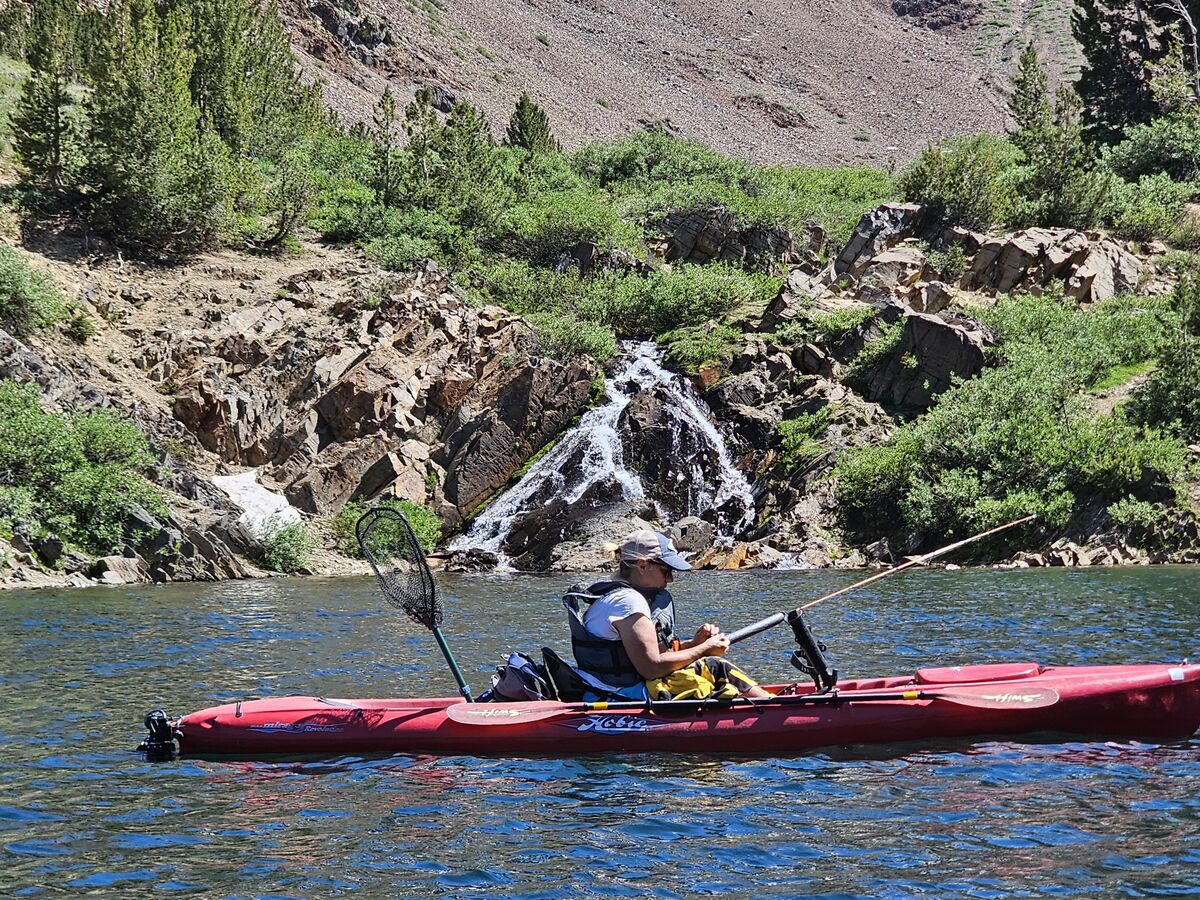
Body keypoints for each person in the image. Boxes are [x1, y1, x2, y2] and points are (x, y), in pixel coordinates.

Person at [563, 529, 770, 702]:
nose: (670, 579)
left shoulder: (613, 596)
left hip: (609, 690)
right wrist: (704, 649)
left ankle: (762, 703)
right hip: (618, 697)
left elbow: (652, 654)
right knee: (715, 666)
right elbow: (651, 668)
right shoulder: (629, 603)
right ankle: (769, 709)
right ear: (643, 566)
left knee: (708, 670)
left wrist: (694, 643)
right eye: (666, 571)